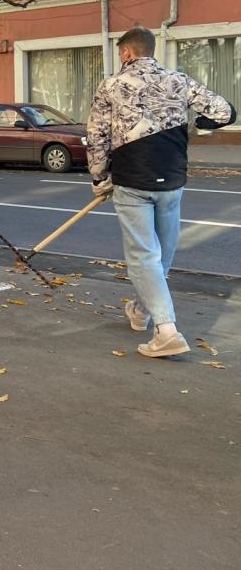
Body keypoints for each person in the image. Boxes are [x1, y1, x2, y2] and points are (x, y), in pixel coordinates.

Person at [86, 26, 235, 358]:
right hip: (171, 179)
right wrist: (198, 126)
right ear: (151, 50)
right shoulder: (178, 80)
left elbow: (97, 135)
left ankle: (166, 330)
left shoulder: (112, 85)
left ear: (126, 52)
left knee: (143, 256)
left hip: (132, 180)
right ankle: (140, 311)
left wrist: (99, 177)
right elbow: (225, 111)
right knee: (161, 255)